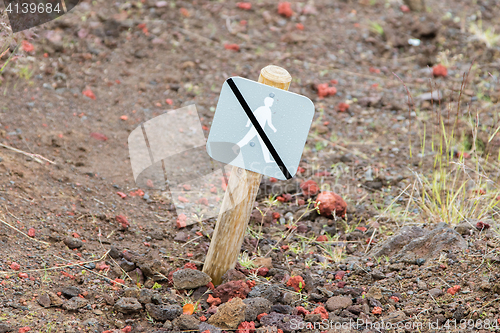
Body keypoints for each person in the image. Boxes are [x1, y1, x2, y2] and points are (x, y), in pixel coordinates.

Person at [235, 95, 277, 163]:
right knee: (247, 140)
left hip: (260, 130)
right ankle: (234, 148)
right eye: (271, 102)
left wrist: (274, 129)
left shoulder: (268, 110)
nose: (272, 103)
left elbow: (269, 123)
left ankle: (267, 160)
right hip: (255, 128)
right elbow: (252, 116)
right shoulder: (261, 109)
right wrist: (248, 124)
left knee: (263, 144)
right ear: (268, 102)